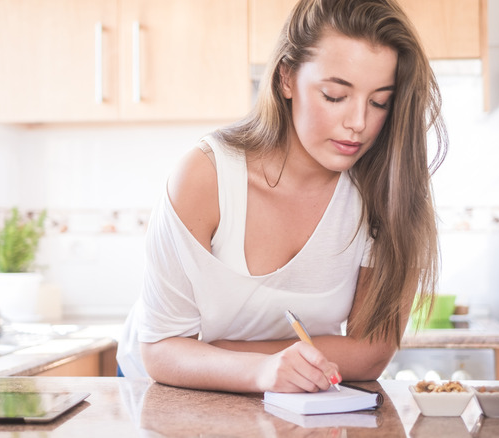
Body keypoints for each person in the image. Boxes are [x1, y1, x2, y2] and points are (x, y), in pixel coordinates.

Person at [116, 0, 447, 394]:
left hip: (288, 394)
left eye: (379, 102)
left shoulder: (385, 191)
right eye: (335, 95)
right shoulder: (206, 177)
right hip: (165, 389)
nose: (358, 122)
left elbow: (371, 352)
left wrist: (232, 356)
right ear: (286, 78)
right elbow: (160, 350)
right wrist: (261, 369)